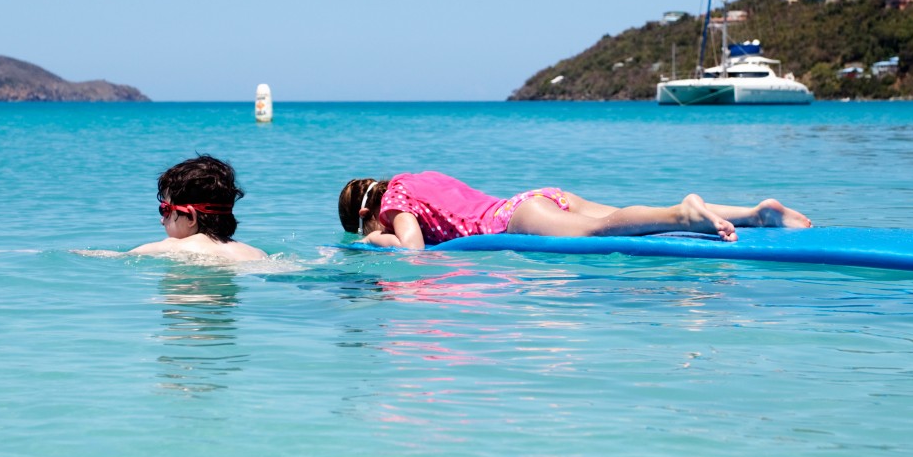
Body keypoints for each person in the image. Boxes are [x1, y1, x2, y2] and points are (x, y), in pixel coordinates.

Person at [337, 171, 812, 249]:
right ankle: (756, 213)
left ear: (366, 211)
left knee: (600, 231)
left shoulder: (395, 201)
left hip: (513, 218)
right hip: (538, 197)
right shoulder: (419, 178)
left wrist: (375, 240)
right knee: (620, 214)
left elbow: (413, 250)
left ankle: (684, 214)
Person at [129, 155, 267, 261]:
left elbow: (117, 257)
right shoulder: (257, 253)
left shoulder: (174, 246)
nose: (161, 220)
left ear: (190, 216)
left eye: (165, 210)